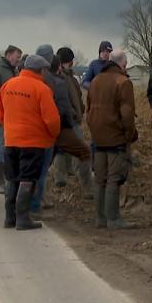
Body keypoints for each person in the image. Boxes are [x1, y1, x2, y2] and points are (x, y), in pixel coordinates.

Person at [0, 55, 61, 231]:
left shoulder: (8, 85)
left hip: (11, 141)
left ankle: (10, 218)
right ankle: (23, 218)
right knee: (28, 178)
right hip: (33, 142)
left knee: (12, 178)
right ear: (41, 70)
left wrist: (9, 127)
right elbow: (52, 120)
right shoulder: (42, 89)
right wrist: (52, 135)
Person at [86, 49, 138, 229]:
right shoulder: (123, 82)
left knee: (100, 178)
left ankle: (100, 218)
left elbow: (88, 109)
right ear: (123, 64)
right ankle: (113, 219)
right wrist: (129, 135)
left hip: (97, 136)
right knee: (114, 179)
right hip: (116, 137)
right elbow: (127, 114)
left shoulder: (95, 81)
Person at [29, 44, 77, 214]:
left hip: (29, 132)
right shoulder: (55, 82)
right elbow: (63, 109)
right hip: (48, 131)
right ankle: (35, 204)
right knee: (42, 170)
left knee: (30, 170)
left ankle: (30, 202)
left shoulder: (25, 81)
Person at [51, 47, 92, 200]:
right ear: (66, 62)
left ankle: (60, 178)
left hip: (70, 118)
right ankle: (87, 187)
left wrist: (80, 109)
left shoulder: (70, 77)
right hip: (69, 120)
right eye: (70, 61)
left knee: (61, 151)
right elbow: (65, 101)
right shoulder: (61, 78)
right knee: (82, 152)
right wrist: (75, 114)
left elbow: (77, 96)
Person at [0, 45, 22, 193]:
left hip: (14, 116)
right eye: (17, 56)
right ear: (8, 55)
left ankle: (10, 178)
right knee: (0, 147)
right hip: (2, 115)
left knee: (10, 148)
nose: (18, 59)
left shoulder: (14, 71)